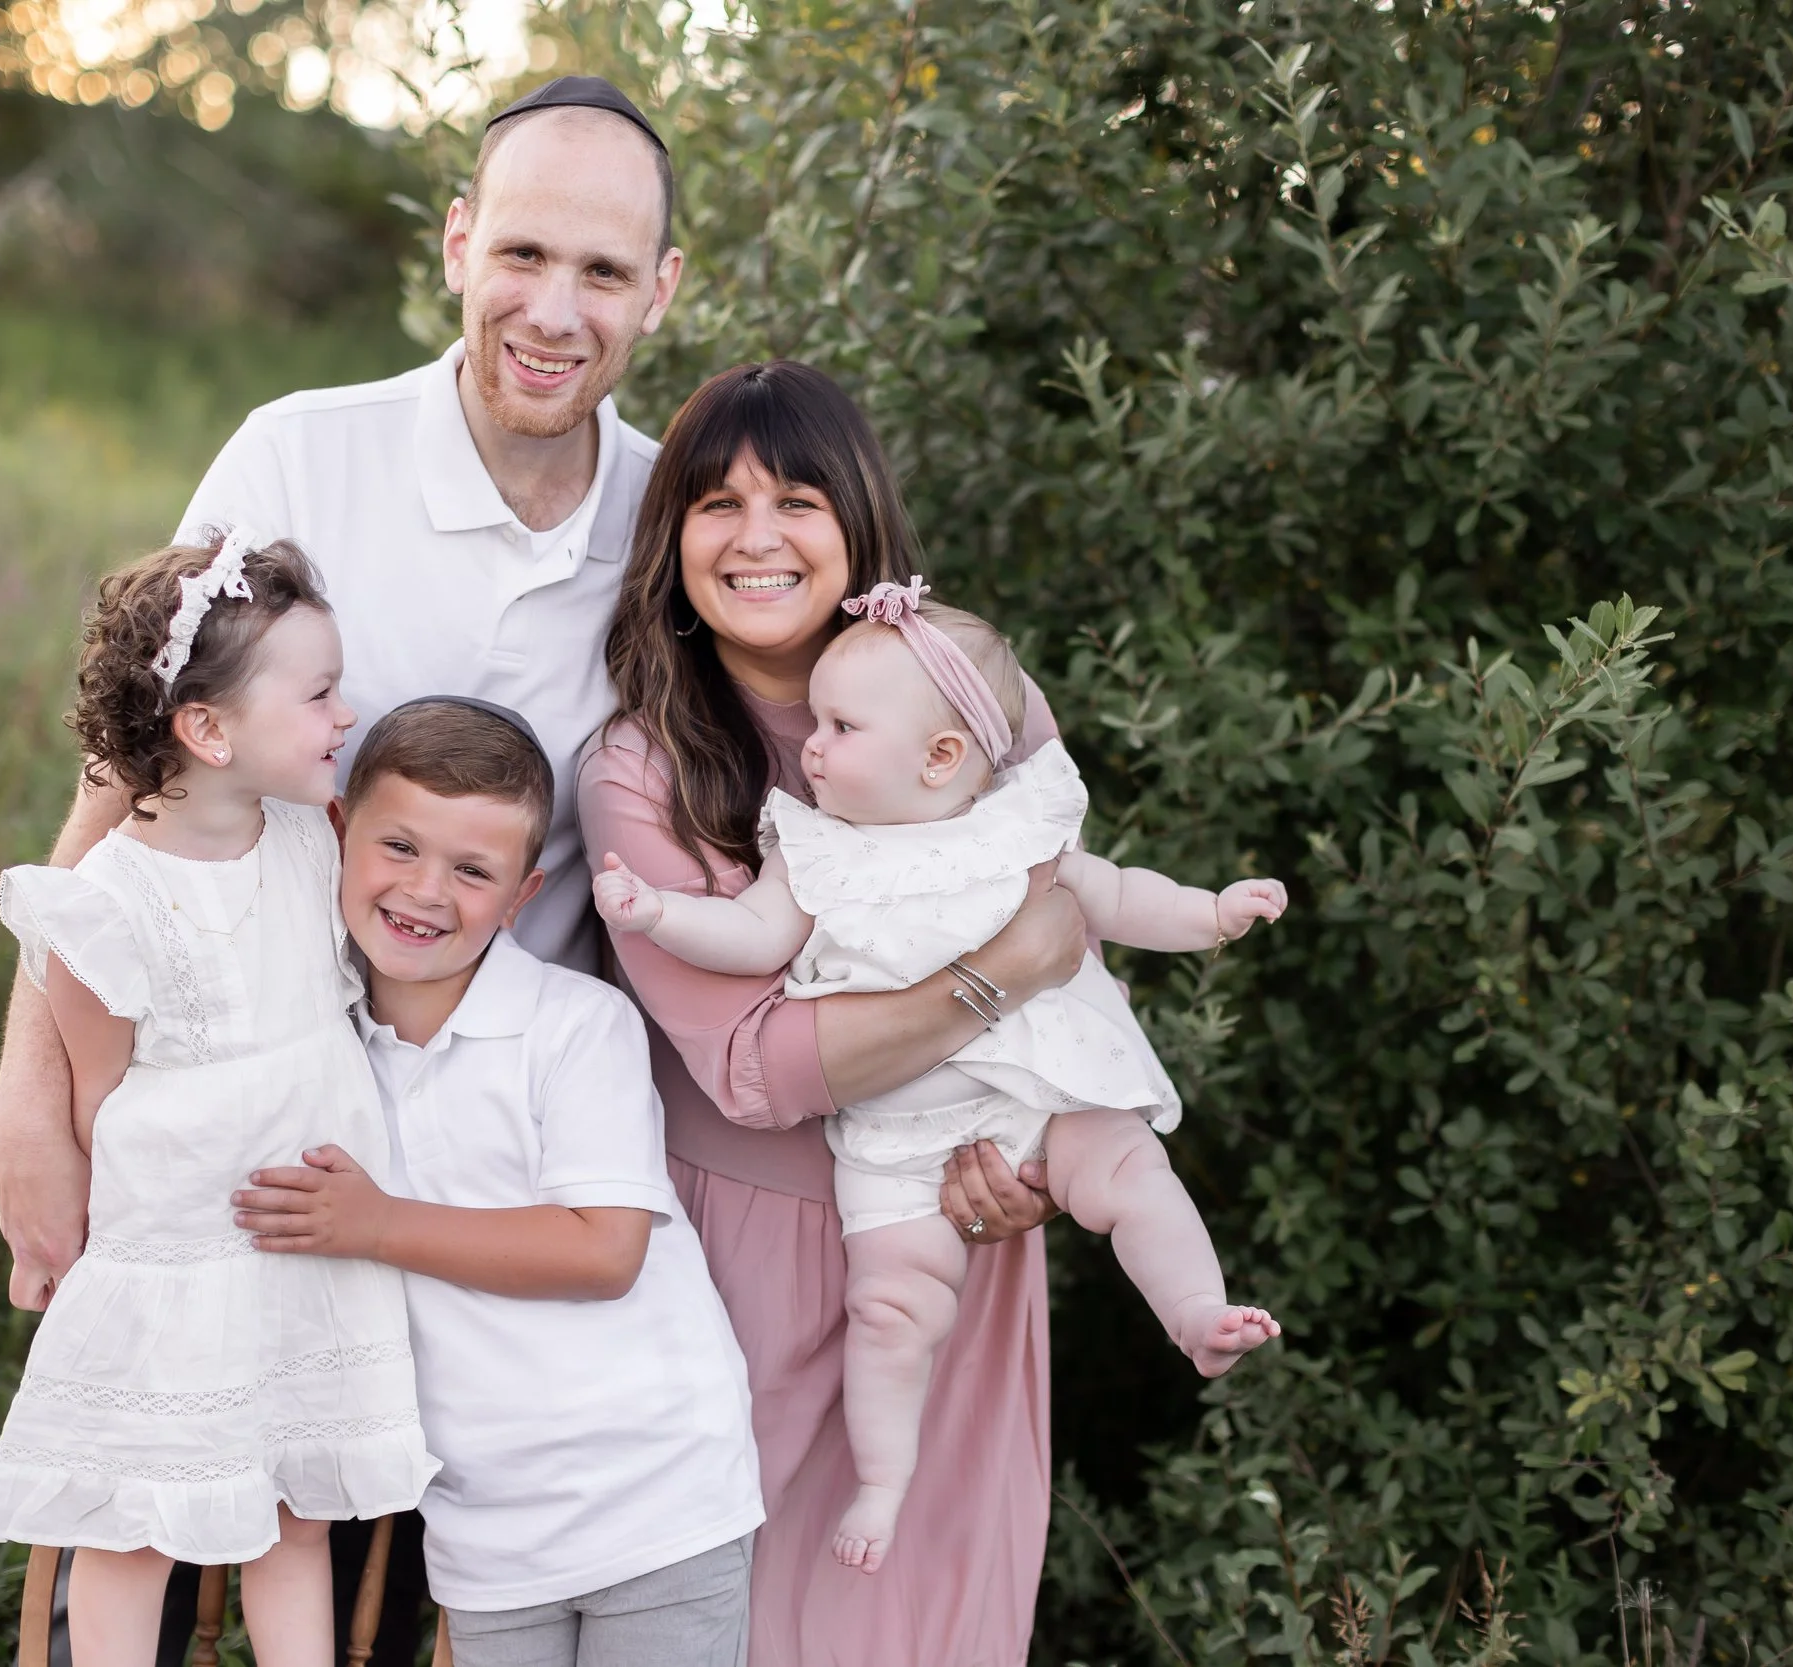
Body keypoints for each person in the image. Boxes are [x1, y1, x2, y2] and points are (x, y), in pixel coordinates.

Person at [0, 75, 683, 1650]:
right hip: (220, 1133)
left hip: (473, 1166)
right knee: (152, 1517)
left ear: (661, 289)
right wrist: (32, 1089)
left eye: (602, 271)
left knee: (378, 1580)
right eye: (523, 253)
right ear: (456, 243)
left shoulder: (672, 521)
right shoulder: (302, 454)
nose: (553, 310)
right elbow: (134, 767)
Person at [594, 577, 1284, 1571]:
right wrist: (659, 914)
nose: (811, 746)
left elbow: (1119, 895)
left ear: (941, 757)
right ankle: (881, 1483)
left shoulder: (1017, 827)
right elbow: (750, 936)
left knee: (1134, 1174)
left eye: (840, 727)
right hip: (896, 1141)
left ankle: (1195, 1311)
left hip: (1045, 1099)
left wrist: (1210, 913)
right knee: (890, 1309)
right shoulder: (816, 849)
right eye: (815, 723)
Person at [575, 361, 1096, 1665]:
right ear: (672, 539)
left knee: (933, 1626)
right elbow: (758, 1067)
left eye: (796, 500)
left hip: (949, 1232)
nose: (756, 536)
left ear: (857, 521)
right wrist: (998, 973)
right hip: (740, 1260)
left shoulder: (980, 701)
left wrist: (1038, 1165)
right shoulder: (641, 768)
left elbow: (1075, 949)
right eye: (718, 503)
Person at [0, 532, 436, 1667]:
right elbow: (98, 1098)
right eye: (318, 694)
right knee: (137, 1521)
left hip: (305, 1249)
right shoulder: (103, 901)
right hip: (178, 1261)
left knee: (297, 1506)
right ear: (209, 731)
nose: (345, 714)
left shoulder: (311, 841)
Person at [230, 699, 763, 1667]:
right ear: (339, 833)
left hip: (657, 1495)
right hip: (485, 1530)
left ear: (523, 893)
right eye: (399, 846)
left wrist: (378, 1223)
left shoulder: (575, 1025)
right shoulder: (322, 1050)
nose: (426, 890)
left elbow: (604, 1248)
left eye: (473, 870)